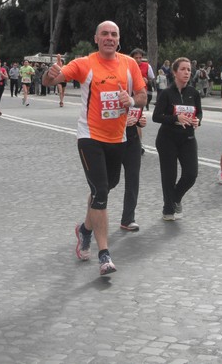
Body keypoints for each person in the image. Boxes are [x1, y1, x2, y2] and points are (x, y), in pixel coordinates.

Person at [42, 20, 147, 276]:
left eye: (114, 34)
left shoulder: (129, 64)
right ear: (96, 38)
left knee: (105, 188)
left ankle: (85, 229)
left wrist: (131, 99)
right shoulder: (85, 63)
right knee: (100, 192)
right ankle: (104, 255)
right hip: (90, 137)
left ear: (118, 39)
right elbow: (50, 82)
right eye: (105, 34)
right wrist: (50, 72)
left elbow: (144, 95)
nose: (109, 38)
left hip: (118, 138)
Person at [153, 57, 202, 220]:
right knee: (169, 175)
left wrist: (197, 120)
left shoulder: (194, 93)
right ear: (174, 72)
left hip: (187, 138)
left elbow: (199, 112)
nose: (187, 72)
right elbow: (156, 116)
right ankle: (168, 209)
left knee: (191, 174)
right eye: (183, 69)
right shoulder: (166, 93)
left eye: (189, 70)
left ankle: (175, 198)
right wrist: (175, 118)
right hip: (167, 140)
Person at [120, 102, 147, 231]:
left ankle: (128, 219)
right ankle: (95, 215)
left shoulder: (137, 96)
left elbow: (138, 119)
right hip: (113, 140)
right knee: (108, 182)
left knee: (133, 179)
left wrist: (140, 121)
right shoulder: (110, 89)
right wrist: (122, 122)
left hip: (133, 141)